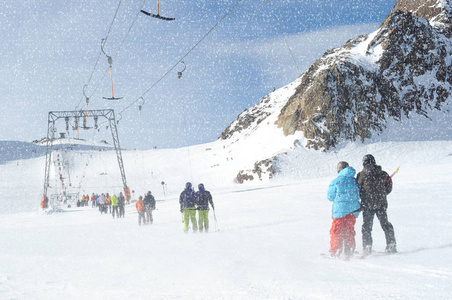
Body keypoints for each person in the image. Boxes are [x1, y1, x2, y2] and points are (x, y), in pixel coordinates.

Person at [357, 154, 397, 255]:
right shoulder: (383, 173)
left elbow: (358, 189)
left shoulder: (361, 174)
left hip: (367, 205)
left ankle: (367, 246)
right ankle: (391, 243)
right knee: (385, 224)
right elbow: (389, 187)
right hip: (381, 204)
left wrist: (365, 197)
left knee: (367, 226)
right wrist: (381, 194)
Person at [327, 161, 360, 258]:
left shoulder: (335, 181)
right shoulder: (354, 180)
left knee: (336, 231)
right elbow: (358, 195)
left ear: (338, 170)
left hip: (339, 211)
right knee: (349, 230)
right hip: (353, 211)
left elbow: (330, 197)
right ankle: (349, 249)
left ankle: (336, 249)